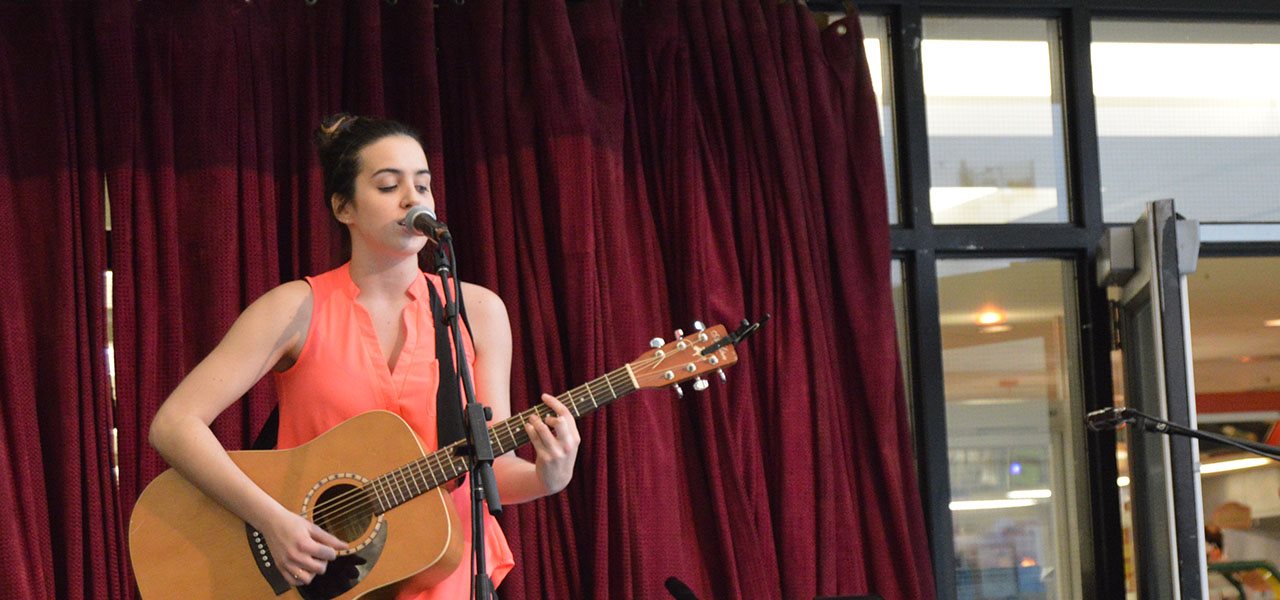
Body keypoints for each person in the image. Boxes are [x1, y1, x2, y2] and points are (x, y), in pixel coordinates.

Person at [147, 113, 581, 598]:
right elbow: (175, 423)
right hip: (324, 578)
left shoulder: (476, 311)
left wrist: (549, 476)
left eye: (423, 185)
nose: (413, 199)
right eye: (388, 185)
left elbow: (489, 466)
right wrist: (272, 520)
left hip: (448, 575)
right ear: (343, 207)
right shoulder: (295, 308)